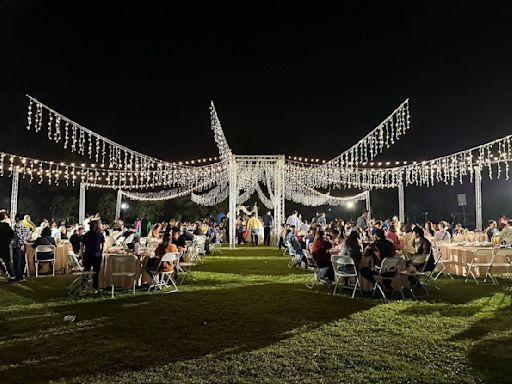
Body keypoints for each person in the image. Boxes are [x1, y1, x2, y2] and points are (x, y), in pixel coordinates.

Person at [82, 219, 105, 289]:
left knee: (86, 270)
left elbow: (82, 245)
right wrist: (101, 252)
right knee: (96, 272)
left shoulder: (87, 234)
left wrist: (81, 254)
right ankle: (95, 287)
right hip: (96, 255)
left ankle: (83, 285)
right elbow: (103, 245)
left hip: (88, 255)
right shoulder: (99, 235)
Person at [12, 214, 30, 282]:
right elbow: (28, 236)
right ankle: (22, 276)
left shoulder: (17, 226)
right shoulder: (25, 226)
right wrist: (24, 242)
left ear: (17, 218)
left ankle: (18, 277)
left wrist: (21, 243)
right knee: (22, 261)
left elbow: (18, 236)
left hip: (17, 246)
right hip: (24, 245)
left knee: (17, 262)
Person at [0, 212, 15, 282]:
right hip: (5, 246)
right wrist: (8, 241)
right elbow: (12, 234)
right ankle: (12, 275)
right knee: (7, 261)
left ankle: (3, 270)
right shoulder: (6, 226)